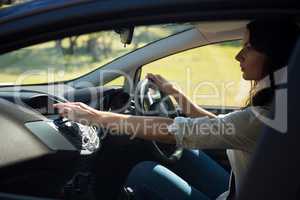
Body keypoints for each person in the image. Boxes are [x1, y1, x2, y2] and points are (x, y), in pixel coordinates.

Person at [53, 19, 299, 200]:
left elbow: (175, 129)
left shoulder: (266, 116)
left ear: (274, 54)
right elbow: (223, 126)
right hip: (237, 188)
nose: (238, 56)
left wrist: (97, 116)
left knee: (145, 174)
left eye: (249, 47)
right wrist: (175, 94)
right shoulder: (278, 103)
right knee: (188, 153)